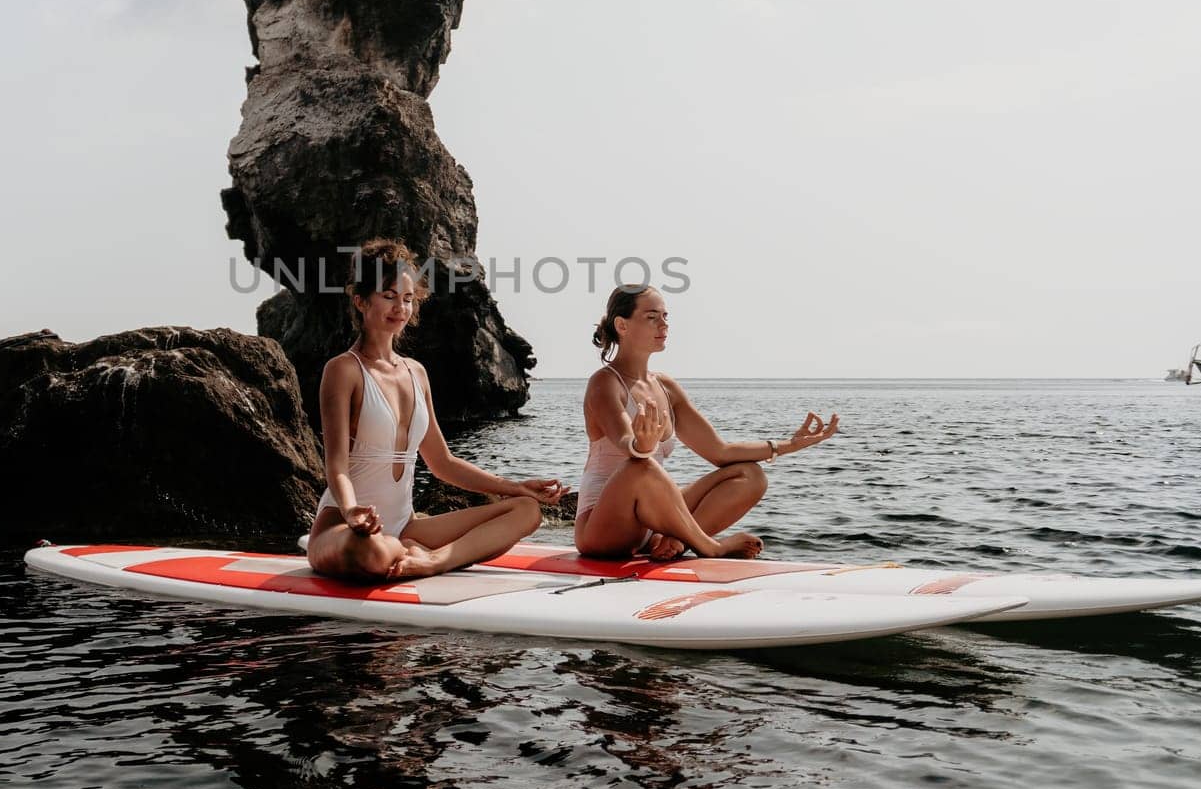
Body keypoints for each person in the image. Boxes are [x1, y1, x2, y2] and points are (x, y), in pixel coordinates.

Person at [307, 239, 566, 582]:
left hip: (404, 525)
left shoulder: (417, 373)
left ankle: (433, 560)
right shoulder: (344, 370)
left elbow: (442, 463)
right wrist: (352, 510)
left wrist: (515, 487)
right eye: (388, 296)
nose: (400, 307)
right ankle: (411, 552)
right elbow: (337, 465)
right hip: (344, 528)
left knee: (526, 511)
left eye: (408, 298)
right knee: (368, 551)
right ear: (361, 300)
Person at [575, 284, 840, 561]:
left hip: (650, 524)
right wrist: (641, 445)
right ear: (622, 325)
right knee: (640, 467)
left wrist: (789, 445)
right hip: (603, 527)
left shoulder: (666, 387)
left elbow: (720, 452)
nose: (663, 324)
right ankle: (711, 546)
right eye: (652, 317)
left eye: (666, 316)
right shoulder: (604, 383)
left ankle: (677, 542)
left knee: (750, 475)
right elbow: (626, 443)